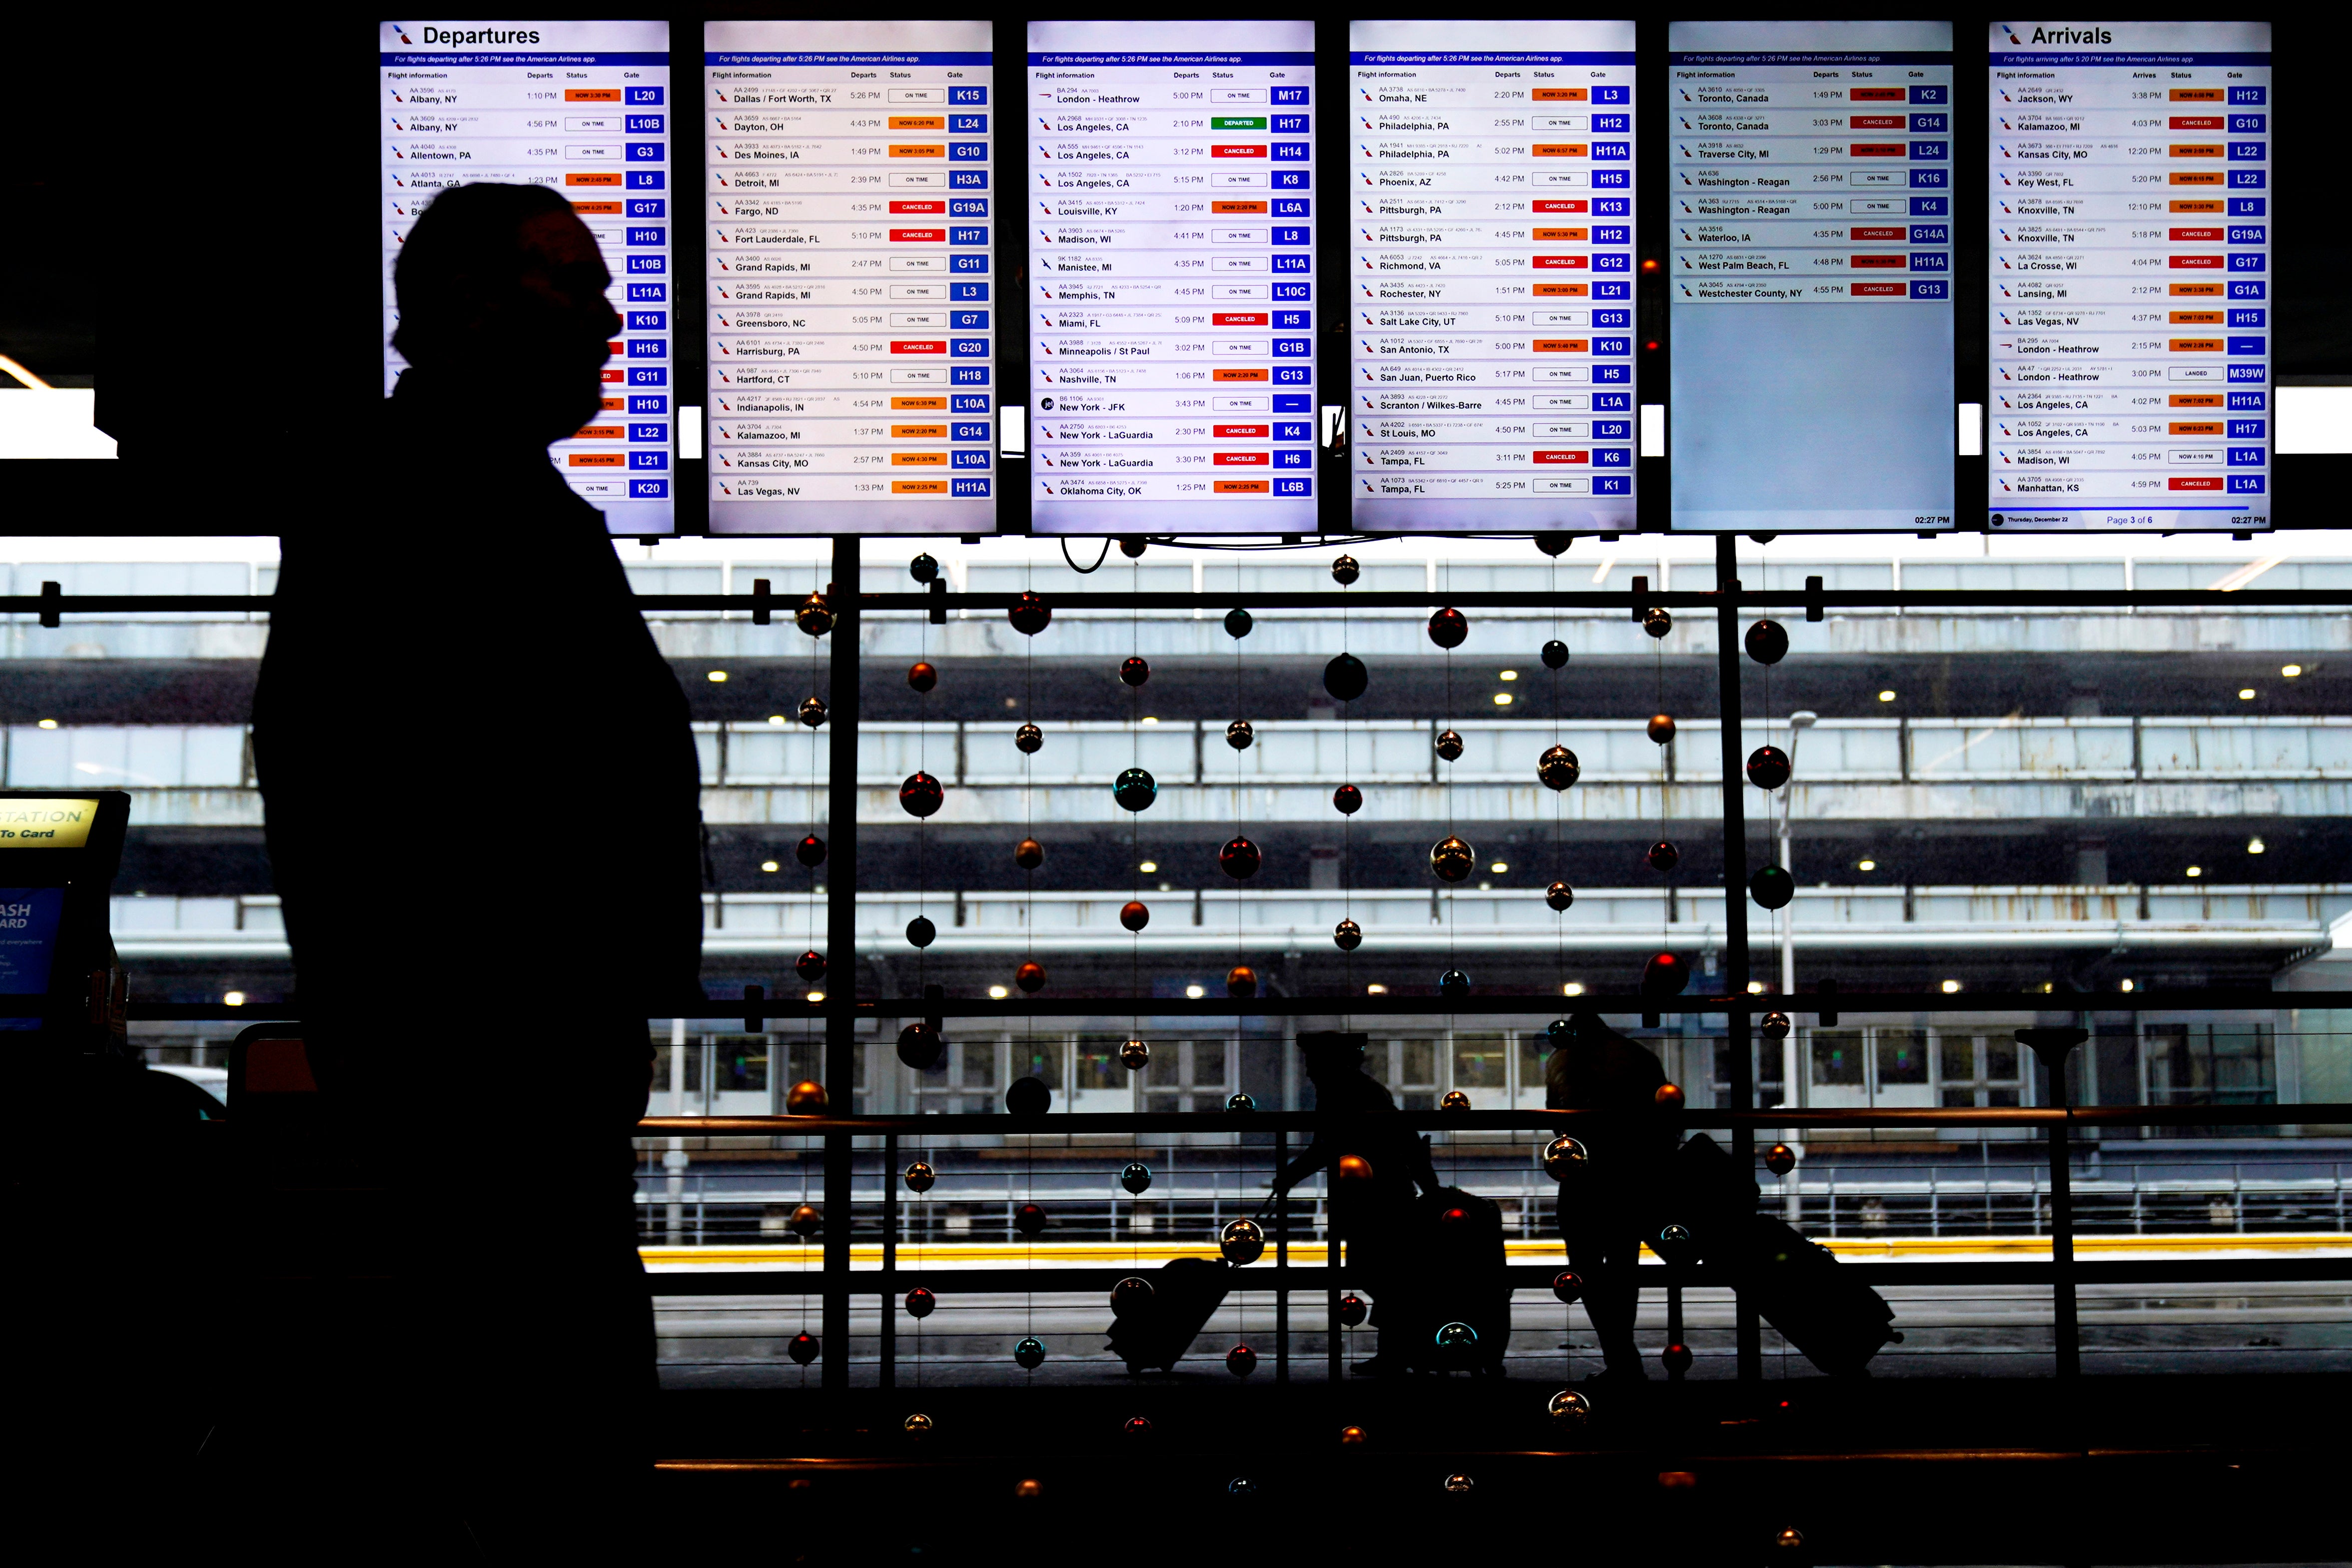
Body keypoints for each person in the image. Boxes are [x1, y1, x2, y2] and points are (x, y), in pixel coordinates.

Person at [247, 182, 703, 1555]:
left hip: (496, 1078)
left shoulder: (440, 487)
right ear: (465, 308)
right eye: (571, 285)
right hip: (500, 1082)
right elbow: (440, 803)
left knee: (527, 1431)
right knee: (550, 1446)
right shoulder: (444, 503)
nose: (609, 319)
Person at [1264, 1031, 1439, 1375]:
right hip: (1384, 1194)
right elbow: (1404, 1141)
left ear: (1330, 1062)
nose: (1308, 1071)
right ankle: (1400, 1351)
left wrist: (1289, 1176)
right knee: (1385, 1275)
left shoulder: (1341, 1091)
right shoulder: (1360, 1088)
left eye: (1312, 1062)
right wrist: (1429, 1188)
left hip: (1376, 1198)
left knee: (1377, 1273)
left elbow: (1326, 1146)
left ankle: (1399, 1352)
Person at [1547, 1014, 1674, 1383]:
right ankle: (1623, 1354)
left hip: (1582, 1177)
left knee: (1584, 1266)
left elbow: (1558, 1121)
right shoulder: (1639, 1056)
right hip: (1631, 1176)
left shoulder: (1561, 1060)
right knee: (1623, 1267)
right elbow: (1664, 1116)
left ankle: (1619, 1354)